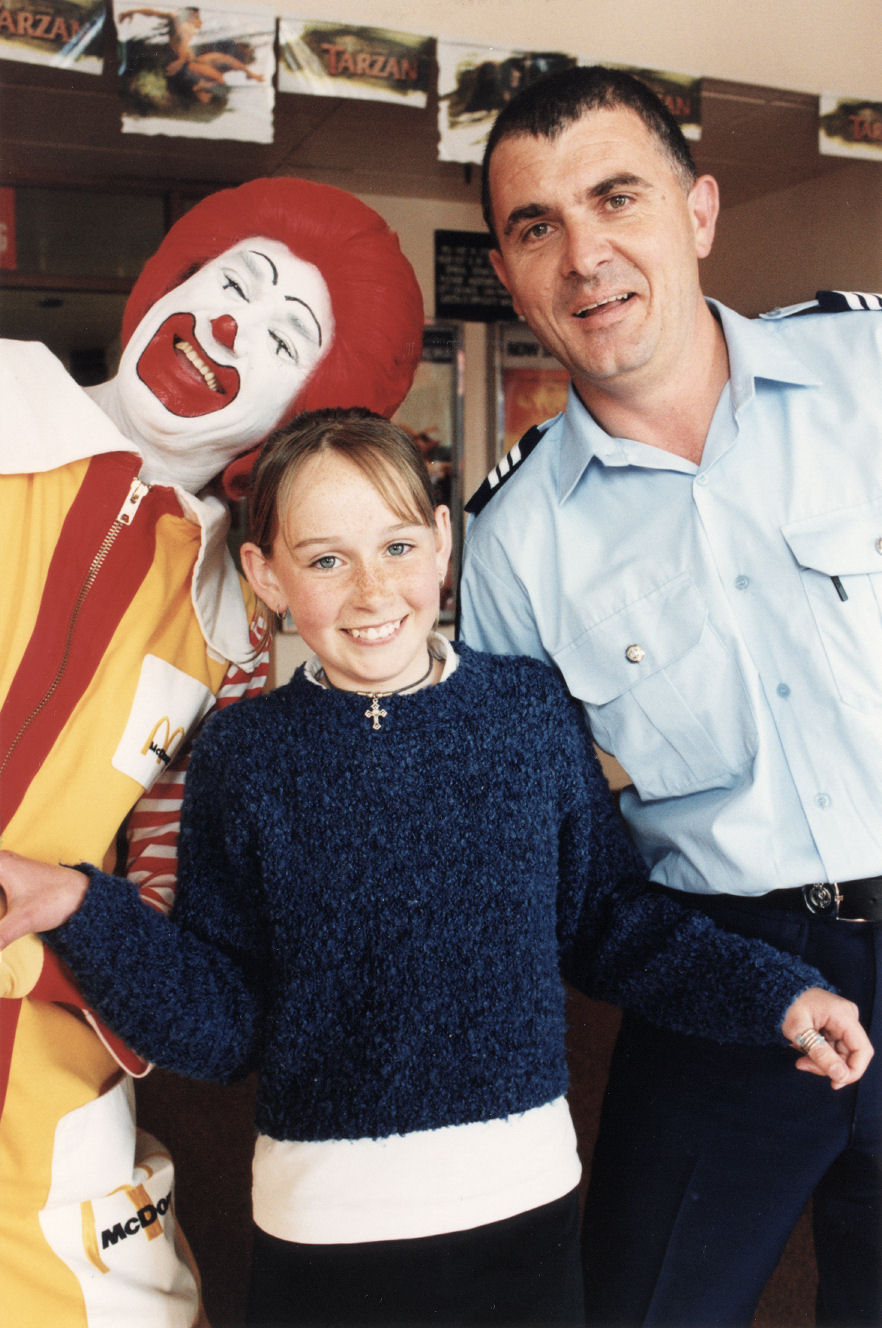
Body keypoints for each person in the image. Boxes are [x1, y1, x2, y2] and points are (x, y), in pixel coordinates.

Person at [0, 408, 872, 1327]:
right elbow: (224, 1021)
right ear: (267, 575)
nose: (373, 591)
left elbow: (609, 921)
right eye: (326, 559)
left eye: (398, 545)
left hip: (523, 1211)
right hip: (321, 1225)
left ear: (444, 542)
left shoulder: (528, 713)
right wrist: (75, 905)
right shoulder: (244, 756)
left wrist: (775, 993)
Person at [458, 63, 882, 1327]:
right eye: (538, 225)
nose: (586, 255)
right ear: (510, 269)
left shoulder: (870, 370)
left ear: (697, 211)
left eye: (617, 198)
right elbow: (555, 861)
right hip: (727, 970)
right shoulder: (511, 544)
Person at [0, 180, 422, 1327]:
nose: (232, 325)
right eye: (229, 283)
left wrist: (57, 919)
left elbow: (193, 968)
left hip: (36, 1103)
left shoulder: (234, 629)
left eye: (285, 334)